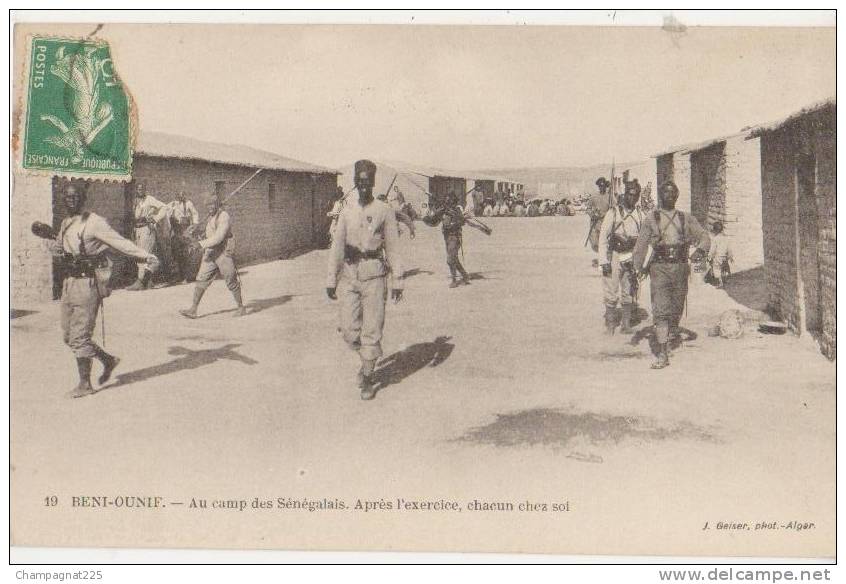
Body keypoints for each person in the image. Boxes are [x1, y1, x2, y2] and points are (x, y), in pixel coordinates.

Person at [51, 183, 159, 398]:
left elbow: (120, 243)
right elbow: (61, 249)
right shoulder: (65, 223)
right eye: (68, 197)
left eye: (75, 196)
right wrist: (55, 246)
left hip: (87, 283)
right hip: (69, 283)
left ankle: (85, 384)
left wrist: (146, 256)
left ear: (83, 199)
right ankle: (108, 360)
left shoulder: (95, 222)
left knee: (80, 336)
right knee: (69, 335)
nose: (71, 200)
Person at [326, 159, 404, 400]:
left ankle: (368, 377)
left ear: (373, 183)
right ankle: (367, 359)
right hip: (350, 275)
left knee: (372, 328)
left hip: (374, 275)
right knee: (349, 329)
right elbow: (337, 246)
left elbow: (393, 247)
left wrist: (398, 280)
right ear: (354, 182)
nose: (363, 186)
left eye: (367, 182)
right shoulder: (347, 211)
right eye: (359, 182)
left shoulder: (384, 211)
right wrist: (331, 279)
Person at [633, 181, 710, 369]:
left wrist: (700, 250)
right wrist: (637, 267)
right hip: (659, 268)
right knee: (661, 309)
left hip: (680, 268)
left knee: (676, 307)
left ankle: (671, 332)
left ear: (677, 196)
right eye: (666, 193)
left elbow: (704, 236)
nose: (669, 196)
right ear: (661, 196)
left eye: (672, 193)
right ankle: (662, 353)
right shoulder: (651, 218)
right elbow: (641, 245)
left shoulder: (686, 218)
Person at [179, 193, 247, 319]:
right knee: (201, 278)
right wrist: (196, 232)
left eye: (212, 204)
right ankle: (193, 309)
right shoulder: (210, 217)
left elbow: (218, 238)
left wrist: (200, 244)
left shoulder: (224, 216)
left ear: (217, 204)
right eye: (208, 205)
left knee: (230, 279)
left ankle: (241, 307)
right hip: (210, 252)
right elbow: (209, 234)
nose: (209, 207)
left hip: (223, 252)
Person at [598, 180, 644, 334]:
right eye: (630, 194)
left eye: (635, 195)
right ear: (625, 194)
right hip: (615, 255)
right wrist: (604, 261)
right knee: (611, 290)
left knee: (629, 290)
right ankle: (610, 324)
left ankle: (626, 324)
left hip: (631, 256)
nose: (632, 198)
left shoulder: (640, 215)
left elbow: (644, 237)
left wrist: (641, 261)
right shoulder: (613, 213)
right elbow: (603, 238)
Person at [424, 190, 471, 288]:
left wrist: (453, 224)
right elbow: (434, 221)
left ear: (454, 202)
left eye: (450, 201)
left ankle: (454, 280)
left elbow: (462, 221)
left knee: (450, 260)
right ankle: (465, 275)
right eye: (447, 200)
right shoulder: (443, 210)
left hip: (455, 237)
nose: (448, 202)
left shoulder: (457, 210)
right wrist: (427, 218)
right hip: (447, 238)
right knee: (454, 259)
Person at [127, 181, 165, 291]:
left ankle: (141, 281)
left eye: (142, 189)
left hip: (146, 229)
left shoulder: (150, 199)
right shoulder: (136, 201)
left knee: (145, 255)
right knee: (140, 255)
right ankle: (148, 282)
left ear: (145, 190)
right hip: (137, 229)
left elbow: (164, 207)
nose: (140, 191)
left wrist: (155, 219)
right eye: (138, 189)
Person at [167, 190, 200, 283]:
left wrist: (194, 225)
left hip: (185, 230)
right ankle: (179, 276)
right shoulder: (172, 204)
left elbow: (195, 214)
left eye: (182, 195)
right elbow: (166, 213)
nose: (181, 197)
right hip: (176, 231)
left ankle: (188, 276)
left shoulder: (188, 203)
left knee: (186, 253)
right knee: (176, 253)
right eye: (179, 195)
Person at [707, 221, 733, 288]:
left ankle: (720, 282)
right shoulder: (726, 238)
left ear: (715, 231)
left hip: (717, 257)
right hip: (725, 256)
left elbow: (713, 249)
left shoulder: (715, 239)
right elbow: (729, 248)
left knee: (717, 268)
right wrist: (730, 256)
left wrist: (709, 256)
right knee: (723, 268)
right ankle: (725, 279)